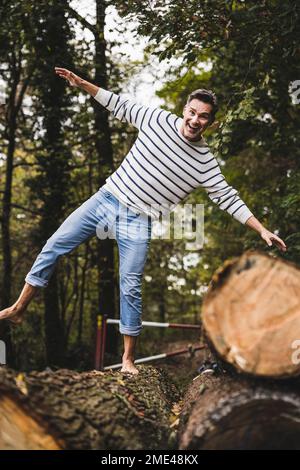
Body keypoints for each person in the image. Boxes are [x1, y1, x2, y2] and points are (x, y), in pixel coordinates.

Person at [0, 67, 287, 374]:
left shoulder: (204, 162)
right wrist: (82, 83)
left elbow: (227, 197)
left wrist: (261, 229)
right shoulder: (157, 119)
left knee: (130, 284)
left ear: (210, 123)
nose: (194, 120)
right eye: (192, 112)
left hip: (138, 221)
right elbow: (119, 104)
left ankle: (127, 360)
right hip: (106, 199)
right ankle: (18, 309)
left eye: (203, 117)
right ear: (184, 110)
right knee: (54, 244)